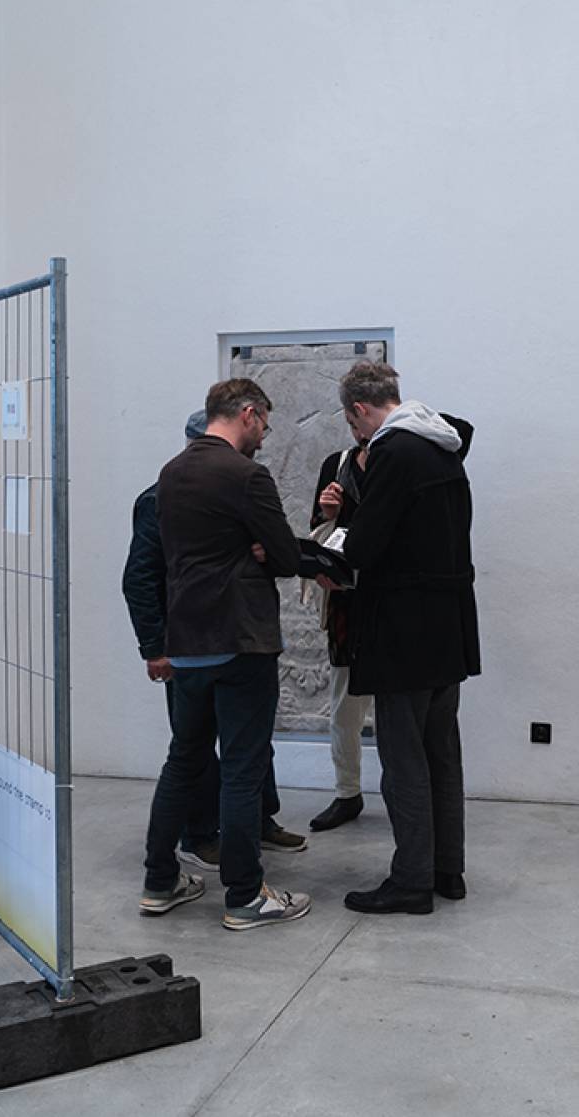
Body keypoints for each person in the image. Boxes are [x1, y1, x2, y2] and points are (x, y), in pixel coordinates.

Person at [139, 379, 329, 930]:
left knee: (183, 762)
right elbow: (288, 557)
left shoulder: (170, 473)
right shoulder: (247, 475)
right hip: (240, 640)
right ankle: (245, 897)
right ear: (248, 413)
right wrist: (263, 552)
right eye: (264, 423)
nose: (265, 435)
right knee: (242, 770)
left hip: (186, 643)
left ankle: (160, 882)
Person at [121, 410, 300, 874]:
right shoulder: (159, 498)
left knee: (243, 746)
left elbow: (266, 552)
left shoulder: (232, 488)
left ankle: (254, 823)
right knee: (196, 755)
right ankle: (202, 839)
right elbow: (140, 577)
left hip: (231, 637)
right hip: (192, 644)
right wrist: (153, 646)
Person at [336, 361, 477, 916]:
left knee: (403, 761)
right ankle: (447, 870)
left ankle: (412, 880)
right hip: (449, 628)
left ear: (359, 409)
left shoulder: (393, 452)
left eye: (353, 425)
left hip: (404, 631)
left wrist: (333, 551)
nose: (356, 436)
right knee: (442, 752)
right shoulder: (444, 444)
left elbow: (365, 546)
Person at [305, 430, 372, 831]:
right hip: (347, 603)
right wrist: (327, 513)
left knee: (399, 708)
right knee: (345, 704)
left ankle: (406, 792)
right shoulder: (338, 464)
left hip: (393, 602)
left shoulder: (401, 461)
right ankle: (347, 792)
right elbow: (320, 533)